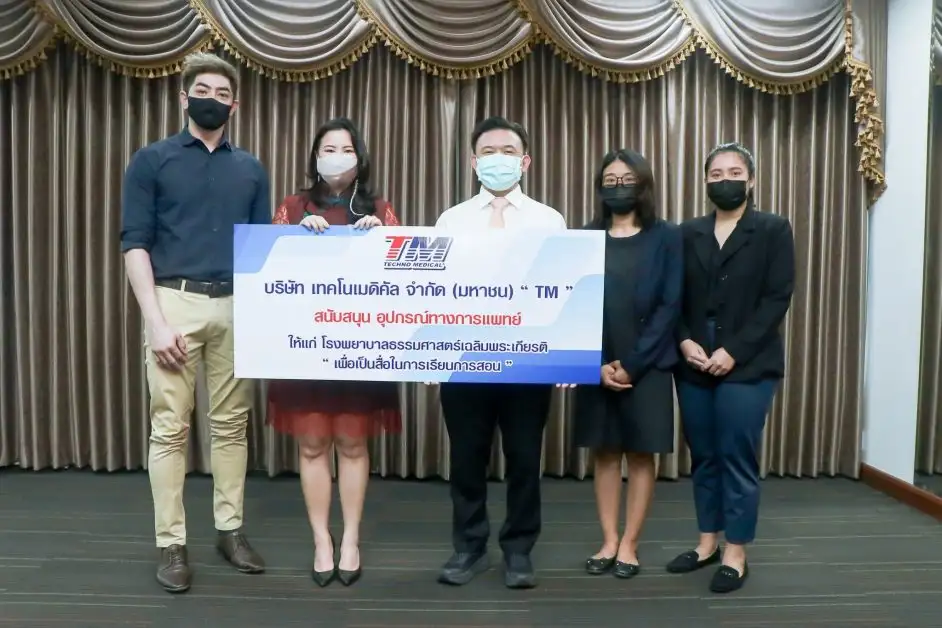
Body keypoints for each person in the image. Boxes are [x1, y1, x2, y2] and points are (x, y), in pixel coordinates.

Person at [120, 52, 270, 593]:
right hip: (173, 303)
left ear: (236, 104)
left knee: (232, 425)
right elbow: (134, 245)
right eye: (202, 91)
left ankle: (230, 530)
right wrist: (156, 322)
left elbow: (261, 251)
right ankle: (172, 542)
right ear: (184, 98)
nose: (213, 99)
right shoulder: (152, 161)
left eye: (222, 93)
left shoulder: (251, 168)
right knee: (170, 427)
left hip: (235, 306)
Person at [434, 116, 567, 590]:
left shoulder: (549, 220)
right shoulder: (450, 220)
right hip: (464, 361)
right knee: (466, 459)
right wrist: (432, 354)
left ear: (525, 162)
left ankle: (519, 550)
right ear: (473, 162)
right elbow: (434, 293)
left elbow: (562, 291)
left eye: (507, 151)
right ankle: (469, 547)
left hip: (527, 362)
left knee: (525, 459)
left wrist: (564, 352)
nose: (498, 159)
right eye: (488, 152)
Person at [268, 117, 401, 588]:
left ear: (359, 158)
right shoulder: (292, 207)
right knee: (311, 445)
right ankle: (322, 540)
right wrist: (293, 237)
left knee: (352, 444)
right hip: (305, 349)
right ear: (315, 156)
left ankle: (351, 540)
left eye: (346, 149)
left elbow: (403, 284)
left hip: (358, 349)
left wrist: (382, 241)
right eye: (328, 149)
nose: (337, 157)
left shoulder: (380, 210)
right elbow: (268, 274)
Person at [667, 142, 795, 593]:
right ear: (706, 181)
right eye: (716, 174)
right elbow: (672, 296)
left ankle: (735, 551)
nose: (725, 180)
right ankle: (707, 542)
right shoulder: (687, 233)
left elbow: (777, 298)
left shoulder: (773, 229)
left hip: (749, 363)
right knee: (703, 455)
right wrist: (684, 339)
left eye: (735, 172)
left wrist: (734, 351)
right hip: (694, 361)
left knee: (735, 455)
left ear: (751, 180)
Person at [573, 149, 682, 579]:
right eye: (610, 180)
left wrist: (633, 365)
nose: (618, 187)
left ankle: (630, 545)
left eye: (626, 179)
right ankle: (608, 540)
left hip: (648, 364)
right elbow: (574, 304)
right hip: (595, 362)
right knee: (604, 453)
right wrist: (599, 364)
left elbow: (670, 306)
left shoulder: (666, 236)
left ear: (643, 184)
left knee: (640, 454)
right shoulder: (584, 237)